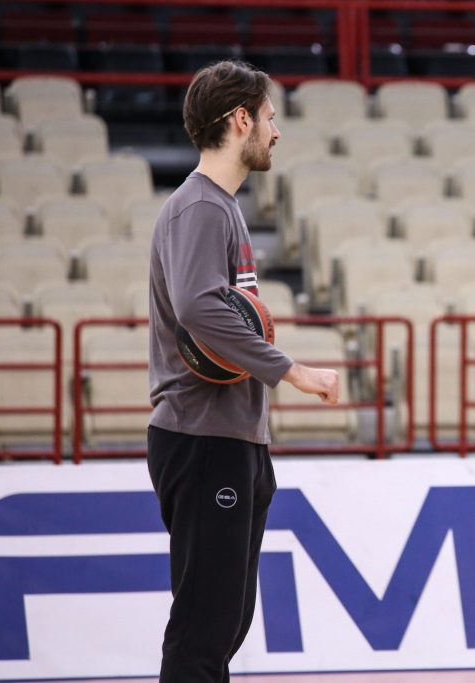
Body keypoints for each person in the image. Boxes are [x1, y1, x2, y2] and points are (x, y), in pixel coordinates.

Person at [147, 60, 340, 682]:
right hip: (202, 438)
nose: (276, 131)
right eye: (270, 117)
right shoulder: (199, 209)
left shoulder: (222, 207)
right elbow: (199, 308)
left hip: (232, 437)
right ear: (240, 120)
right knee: (205, 627)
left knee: (227, 623)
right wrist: (292, 371)